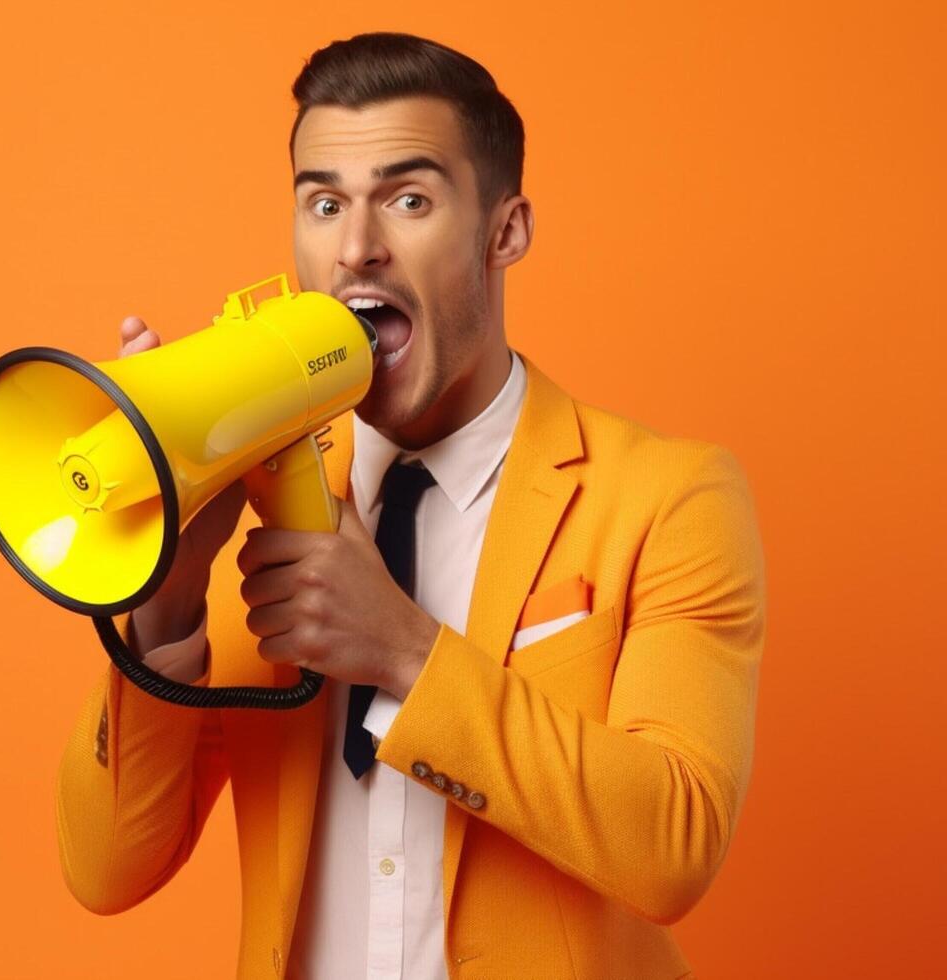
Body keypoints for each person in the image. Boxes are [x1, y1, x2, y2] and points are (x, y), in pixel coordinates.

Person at [56, 32, 766, 980]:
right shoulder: (252, 498)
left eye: (408, 199)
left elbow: (673, 844)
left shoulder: (667, 496)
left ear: (503, 230)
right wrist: (166, 602)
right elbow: (106, 869)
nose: (355, 247)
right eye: (323, 202)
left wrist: (403, 649)